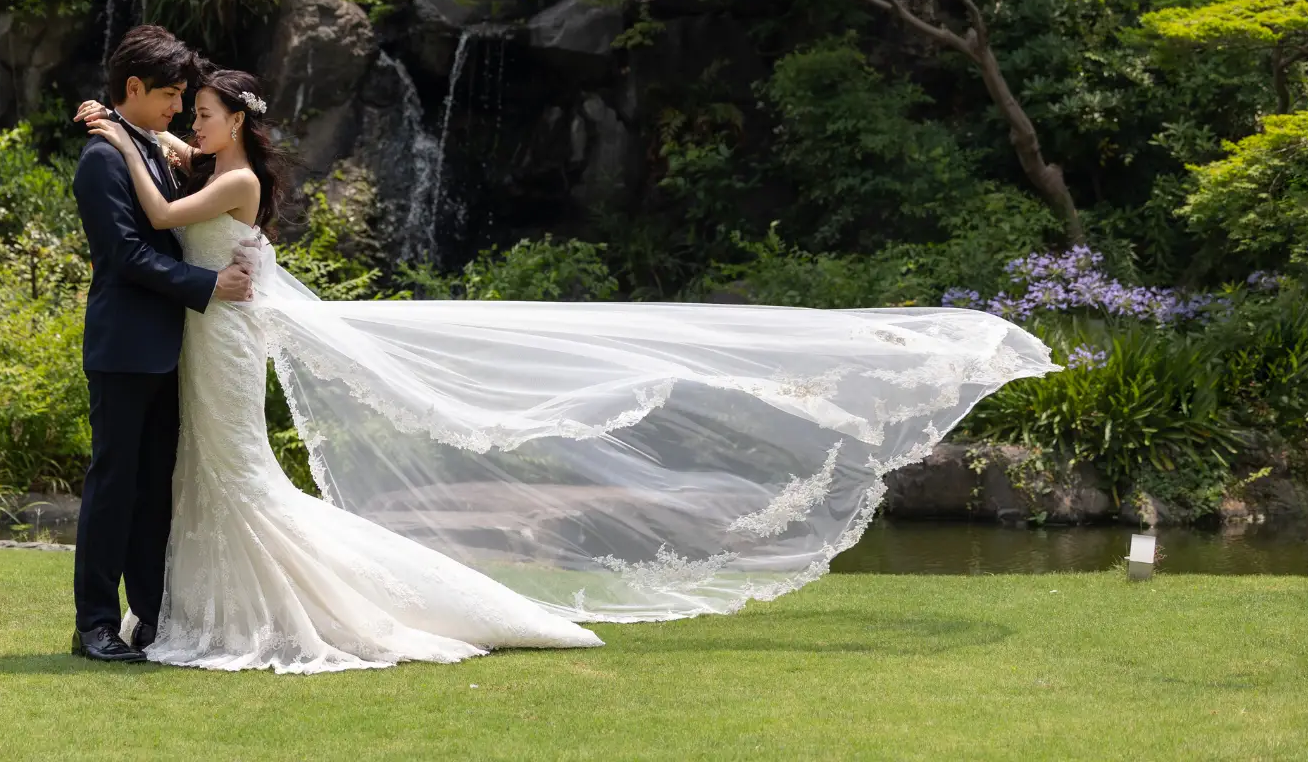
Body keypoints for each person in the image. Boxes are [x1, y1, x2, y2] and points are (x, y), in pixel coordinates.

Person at [79, 62, 1057, 674]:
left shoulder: (229, 174)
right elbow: (172, 165)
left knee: (243, 475)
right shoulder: (210, 158)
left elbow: (165, 218)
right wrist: (130, 127)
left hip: (225, 335)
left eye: (197, 111)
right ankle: (182, 613)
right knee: (206, 474)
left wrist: (116, 135)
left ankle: (309, 610)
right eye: (181, 110)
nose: (185, 122)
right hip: (205, 337)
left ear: (231, 120)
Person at [68, 26, 255, 665]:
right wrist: (209, 285)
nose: (178, 107)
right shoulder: (100, 159)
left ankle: (151, 617)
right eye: (170, 95)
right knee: (114, 485)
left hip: (173, 349)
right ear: (133, 89)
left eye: (184, 97)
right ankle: (93, 625)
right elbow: (126, 255)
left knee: (155, 488)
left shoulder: (151, 147)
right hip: (124, 347)